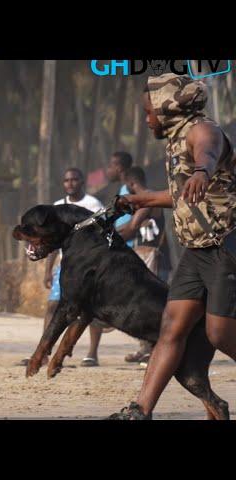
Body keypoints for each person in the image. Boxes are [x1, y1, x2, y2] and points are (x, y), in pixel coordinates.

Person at [111, 73, 236, 419]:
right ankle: (140, 410)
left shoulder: (201, 130)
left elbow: (207, 152)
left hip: (224, 247)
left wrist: (202, 171)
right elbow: (182, 195)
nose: (146, 118)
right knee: (172, 327)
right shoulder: (176, 139)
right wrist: (142, 199)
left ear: (168, 109)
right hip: (195, 253)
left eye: (149, 112)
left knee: (219, 333)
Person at [18, 168, 105, 367]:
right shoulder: (56, 207)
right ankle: (44, 352)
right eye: (67, 180)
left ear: (82, 181)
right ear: (63, 184)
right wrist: (48, 270)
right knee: (52, 306)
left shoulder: (93, 204)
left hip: (91, 265)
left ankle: (92, 353)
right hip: (66, 265)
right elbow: (51, 241)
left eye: (74, 179)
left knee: (92, 308)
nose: (70, 183)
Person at [117, 166, 167, 365]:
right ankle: (146, 348)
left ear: (131, 184)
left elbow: (130, 229)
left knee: (153, 305)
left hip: (153, 258)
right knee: (143, 304)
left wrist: (101, 233)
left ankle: (155, 351)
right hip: (146, 257)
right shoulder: (150, 198)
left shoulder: (147, 200)